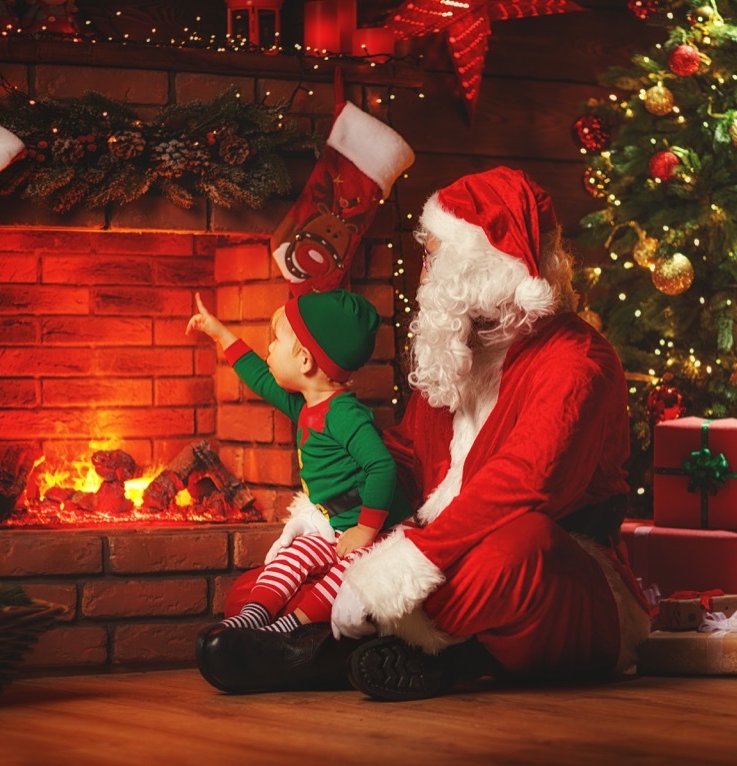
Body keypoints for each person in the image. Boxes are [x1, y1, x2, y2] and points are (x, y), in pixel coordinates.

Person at [196, 166, 650, 700]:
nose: (426, 271)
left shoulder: (578, 360)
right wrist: (334, 516)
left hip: (557, 578)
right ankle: (433, 654)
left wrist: (404, 565)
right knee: (260, 590)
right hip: (436, 547)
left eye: (437, 255)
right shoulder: (456, 350)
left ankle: (314, 656)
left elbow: (525, 483)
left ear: (482, 264)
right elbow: (408, 457)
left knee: (518, 550)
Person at [187, 290, 414, 660]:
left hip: (380, 528)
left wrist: (366, 530)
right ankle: (253, 616)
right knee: (293, 556)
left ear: (305, 361)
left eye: (276, 341)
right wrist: (219, 333)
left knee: (345, 576)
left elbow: (381, 466)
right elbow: (261, 378)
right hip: (336, 524)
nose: (270, 349)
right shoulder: (308, 404)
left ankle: (289, 629)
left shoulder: (344, 414)